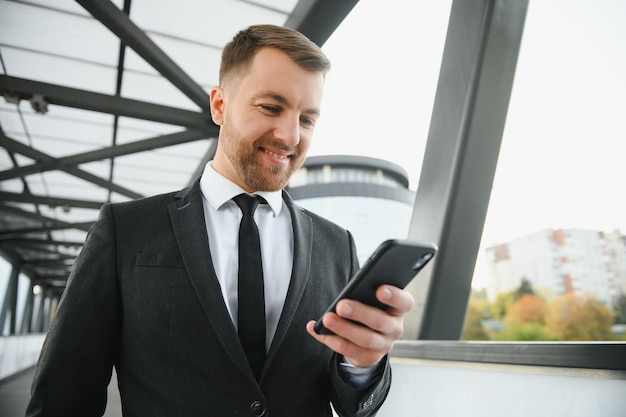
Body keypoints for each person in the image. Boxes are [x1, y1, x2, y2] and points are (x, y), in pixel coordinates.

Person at [26, 24, 415, 417]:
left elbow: (352, 405)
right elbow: (63, 396)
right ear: (219, 105)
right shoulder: (125, 231)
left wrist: (363, 364)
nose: (290, 135)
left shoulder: (338, 246)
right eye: (270, 107)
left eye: (308, 119)